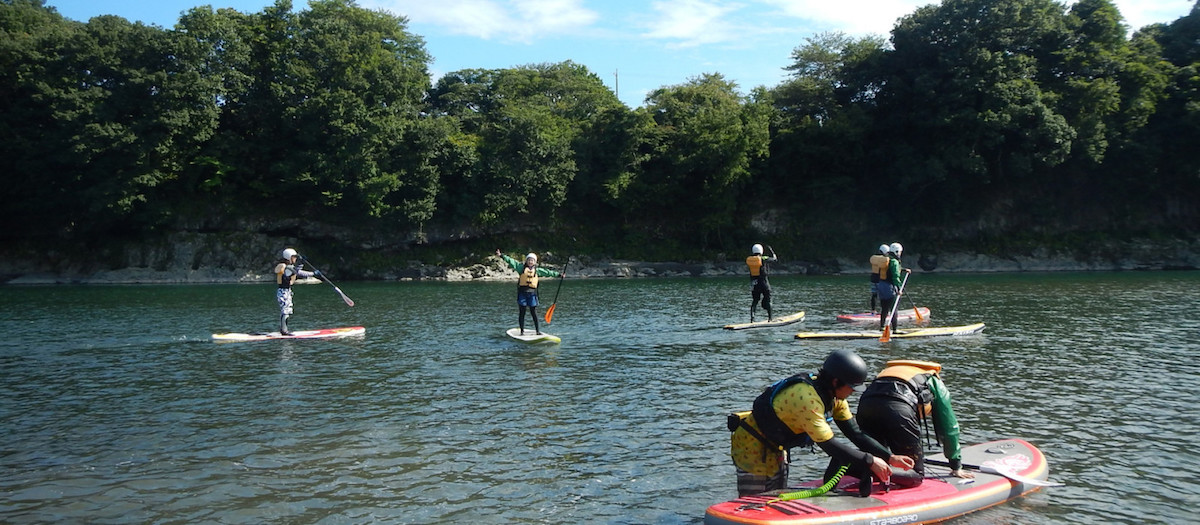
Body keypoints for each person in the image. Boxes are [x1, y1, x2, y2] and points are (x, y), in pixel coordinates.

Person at [728, 349, 914, 496]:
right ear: (835, 381)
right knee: (753, 501)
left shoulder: (836, 398)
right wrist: (870, 460)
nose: (853, 392)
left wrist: (889, 457)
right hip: (751, 445)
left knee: (774, 496)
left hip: (777, 445)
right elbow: (829, 445)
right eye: (851, 387)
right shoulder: (806, 399)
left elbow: (855, 433)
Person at [856, 360, 974, 488]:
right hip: (899, 410)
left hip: (865, 405)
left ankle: (859, 467)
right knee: (915, 475)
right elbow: (949, 426)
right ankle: (873, 472)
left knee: (877, 459)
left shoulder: (888, 372)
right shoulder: (933, 380)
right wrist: (956, 465)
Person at [496, 250, 562, 335]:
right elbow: (511, 261)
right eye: (529, 260)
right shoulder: (521, 268)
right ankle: (522, 331)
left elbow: (548, 272)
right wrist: (502, 255)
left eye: (532, 260)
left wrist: (558, 275)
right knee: (522, 312)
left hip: (532, 294)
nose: (530, 261)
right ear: (526, 261)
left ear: (535, 262)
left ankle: (537, 331)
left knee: (534, 312)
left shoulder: (537, 271)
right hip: (522, 293)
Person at [274, 248, 319, 335]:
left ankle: (283, 329)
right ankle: (284, 330)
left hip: (285, 291)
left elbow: (296, 270)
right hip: (284, 291)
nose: (295, 259)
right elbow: (299, 273)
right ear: (289, 257)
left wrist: (301, 263)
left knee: (286, 310)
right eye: (294, 257)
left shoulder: (288, 267)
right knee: (286, 310)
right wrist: (313, 274)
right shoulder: (287, 267)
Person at [878, 242, 910, 332]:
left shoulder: (886, 259)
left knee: (884, 308)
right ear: (896, 252)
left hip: (881, 286)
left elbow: (890, 270)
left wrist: (903, 270)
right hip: (889, 287)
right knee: (894, 309)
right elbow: (895, 276)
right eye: (899, 252)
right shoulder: (894, 261)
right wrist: (899, 289)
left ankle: (882, 327)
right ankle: (895, 329)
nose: (900, 254)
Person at [746, 243, 777, 322]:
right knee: (768, 299)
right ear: (761, 251)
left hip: (754, 283)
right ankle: (770, 318)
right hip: (764, 283)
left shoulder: (750, 260)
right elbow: (774, 259)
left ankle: (752, 319)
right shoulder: (763, 258)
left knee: (755, 301)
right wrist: (772, 252)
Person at [869, 244, 890, 314]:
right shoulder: (885, 259)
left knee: (874, 295)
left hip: (873, 279)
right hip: (880, 279)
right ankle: (884, 311)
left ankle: (873, 310)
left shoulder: (874, 258)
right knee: (883, 296)